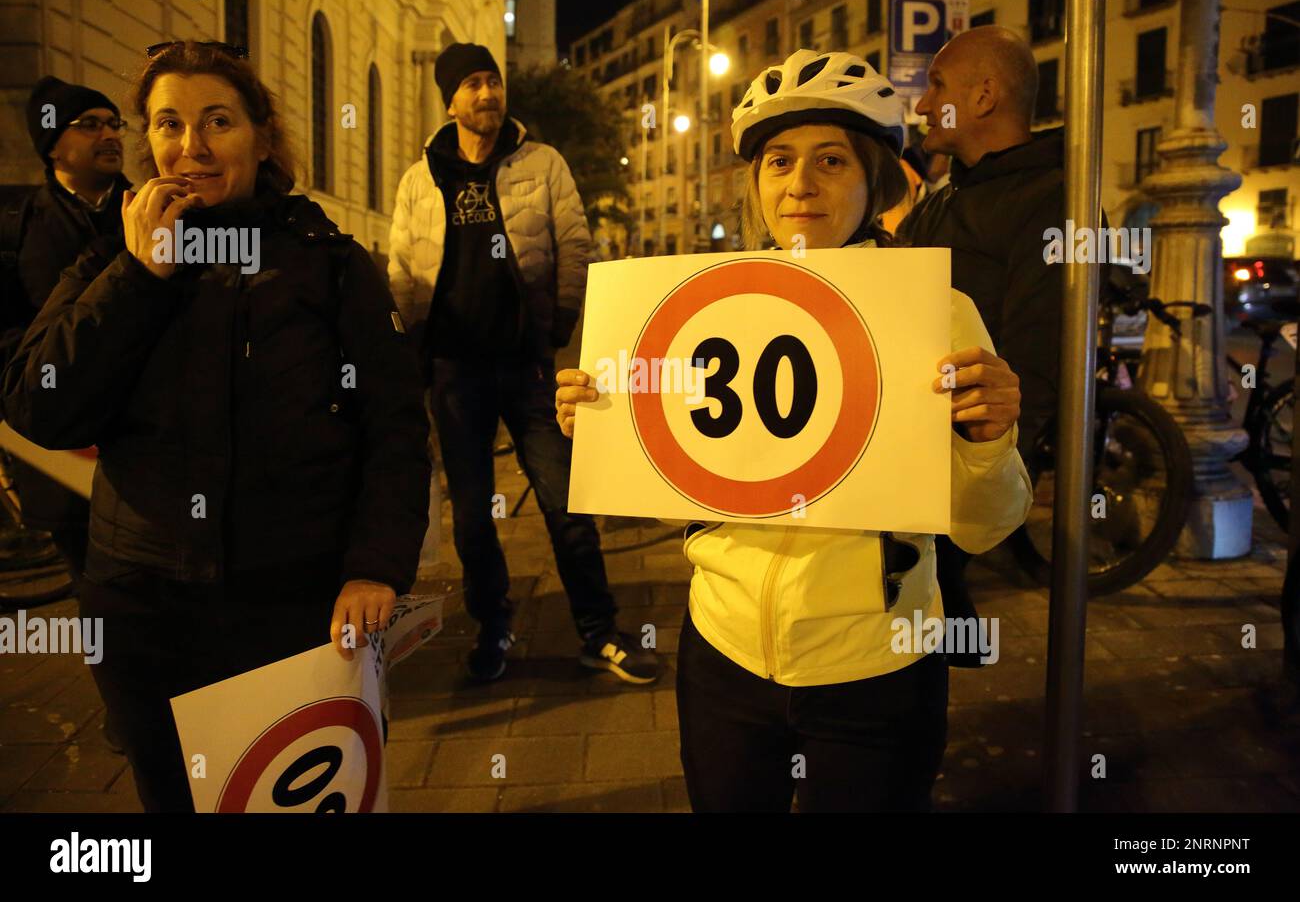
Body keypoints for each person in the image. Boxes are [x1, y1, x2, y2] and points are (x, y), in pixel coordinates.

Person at [555, 49, 1032, 811]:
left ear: (876, 178)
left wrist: (987, 442)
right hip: (722, 655)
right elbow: (684, 468)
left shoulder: (937, 312)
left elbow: (983, 529)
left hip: (878, 667)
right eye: (778, 162)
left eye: (831, 161)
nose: (799, 185)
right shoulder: (713, 306)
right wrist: (605, 422)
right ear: (756, 182)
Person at [0, 40, 431, 812]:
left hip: (291, 604)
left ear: (263, 137)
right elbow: (41, 405)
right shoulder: (112, 253)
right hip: (142, 604)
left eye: (217, 121)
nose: (189, 146)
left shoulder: (329, 262)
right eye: (168, 124)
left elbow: (395, 426)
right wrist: (139, 279)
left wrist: (375, 567)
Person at [388, 43, 657, 684]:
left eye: (494, 81)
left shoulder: (543, 163)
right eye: (473, 84)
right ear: (449, 100)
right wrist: (410, 355)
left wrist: (557, 330)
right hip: (454, 373)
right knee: (474, 516)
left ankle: (599, 632)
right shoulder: (419, 177)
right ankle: (494, 628)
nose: (487, 94)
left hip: (529, 368)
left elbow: (574, 243)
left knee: (567, 504)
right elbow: (402, 269)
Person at [896, 25, 1067, 657]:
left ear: (985, 95)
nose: (921, 104)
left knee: (919, 636)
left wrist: (993, 471)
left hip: (960, 467)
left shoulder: (1055, 201)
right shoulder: (943, 201)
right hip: (908, 452)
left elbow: (1039, 368)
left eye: (936, 85)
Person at [5, 77, 134, 594]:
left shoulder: (153, 211)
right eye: (89, 125)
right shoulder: (17, 225)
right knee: (94, 589)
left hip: (138, 449)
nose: (109, 135)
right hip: (63, 454)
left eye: (113, 123)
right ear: (52, 144)